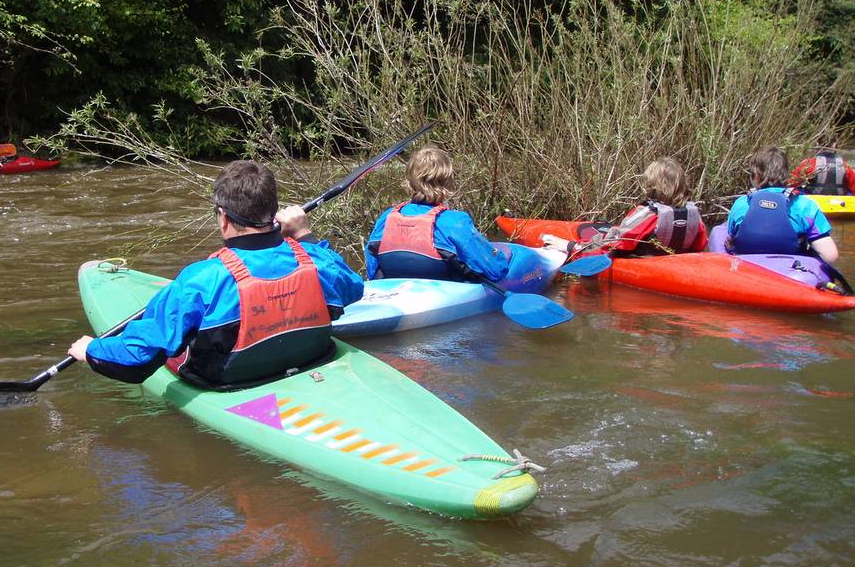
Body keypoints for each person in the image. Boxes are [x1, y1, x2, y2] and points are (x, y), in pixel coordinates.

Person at [68, 160, 365, 388]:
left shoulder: (200, 280)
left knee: (175, 340)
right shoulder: (316, 259)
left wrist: (92, 350)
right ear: (275, 211)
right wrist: (303, 235)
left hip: (229, 380)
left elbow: (140, 358)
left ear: (223, 217)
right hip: (311, 358)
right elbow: (354, 288)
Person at [364, 146, 511, 282]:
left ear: (409, 181)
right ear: (447, 181)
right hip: (446, 295)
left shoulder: (387, 217)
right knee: (512, 256)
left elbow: (373, 270)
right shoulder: (455, 222)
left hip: (396, 292)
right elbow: (496, 271)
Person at [540, 157, 708, 258]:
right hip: (677, 261)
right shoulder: (694, 215)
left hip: (644, 262)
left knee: (587, 228)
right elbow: (700, 246)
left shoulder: (649, 214)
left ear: (652, 186)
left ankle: (585, 235)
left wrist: (571, 247)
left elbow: (613, 243)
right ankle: (600, 227)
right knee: (600, 227)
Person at [726, 146, 839, 263]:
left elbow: (730, 239)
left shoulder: (741, 203)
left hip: (747, 271)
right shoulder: (806, 205)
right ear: (786, 174)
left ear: (756, 175)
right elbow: (830, 255)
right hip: (793, 274)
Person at [791, 137, 855, 196]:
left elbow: (791, 184)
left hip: (814, 202)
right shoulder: (845, 166)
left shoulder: (808, 163)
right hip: (839, 202)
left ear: (817, 147)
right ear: (835, 147)